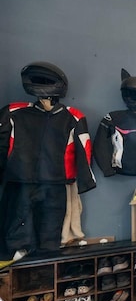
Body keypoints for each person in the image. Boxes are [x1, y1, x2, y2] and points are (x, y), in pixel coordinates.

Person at [0, 62, 96, 259]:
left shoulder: (73, 117)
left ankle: (45, 274)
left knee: (50, 236)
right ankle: (20, 273)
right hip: (20, 182)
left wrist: (83, 180)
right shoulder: (13, 113)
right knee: (17, 232)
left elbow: (84, 150)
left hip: (55, 183)